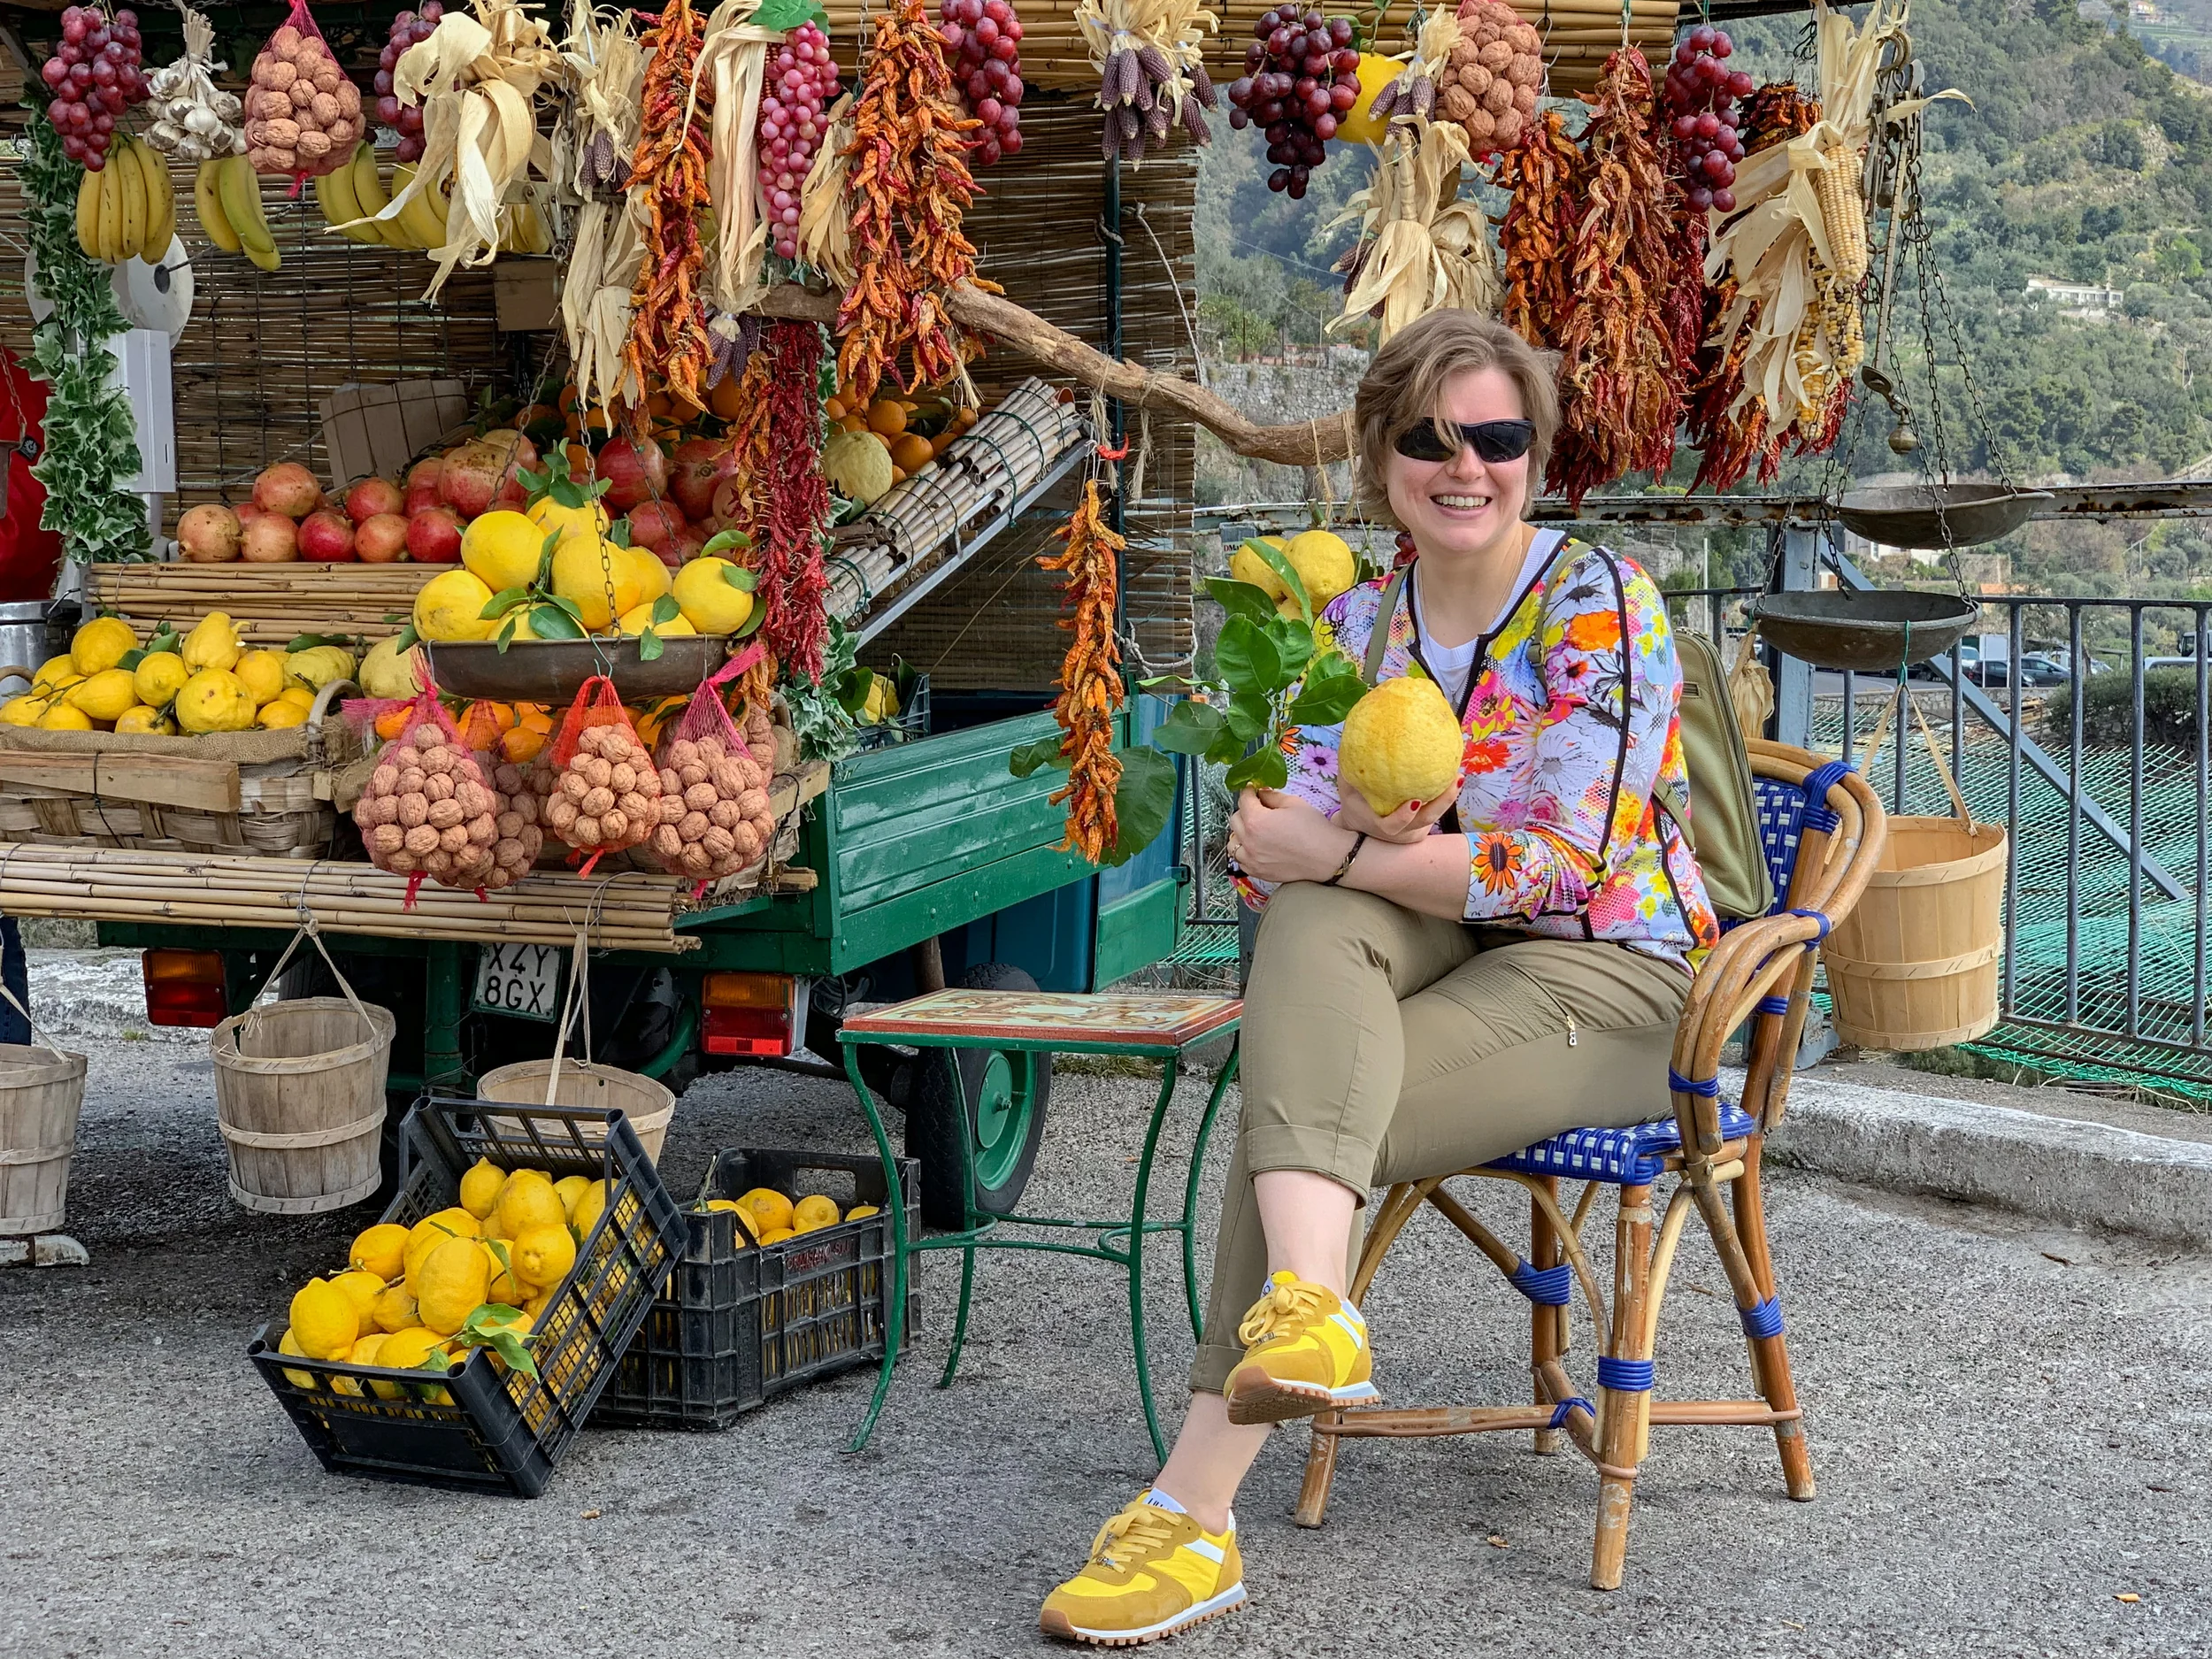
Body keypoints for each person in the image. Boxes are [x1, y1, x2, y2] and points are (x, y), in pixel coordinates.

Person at [1039, 311, 1718, 1647]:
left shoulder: (1602, 604)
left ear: (1537, 451)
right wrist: (1293, 847)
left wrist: (1335, 844)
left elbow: (1557, 869)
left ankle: (1194, 1510)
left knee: (1303, 1115)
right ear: (1380, 455)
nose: (1463, 465)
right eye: (1427, 438)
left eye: (1497, 437)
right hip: (1445, 946)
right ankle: (1307, 1316)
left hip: (1617, 978)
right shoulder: (1353, 623)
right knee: (1304, 942)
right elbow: (1274, 859)